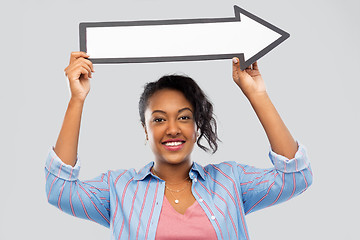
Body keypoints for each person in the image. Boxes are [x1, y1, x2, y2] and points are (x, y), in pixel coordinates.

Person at [45, 52, 313, 240]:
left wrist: (257, 94)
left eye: (184, 117)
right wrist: (76, 100)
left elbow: (295, 176)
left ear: (197, 126)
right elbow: (60, 190)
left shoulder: (230, 181)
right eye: (159, 119)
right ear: (145, 130)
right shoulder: (119, 189)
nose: (172, 128)